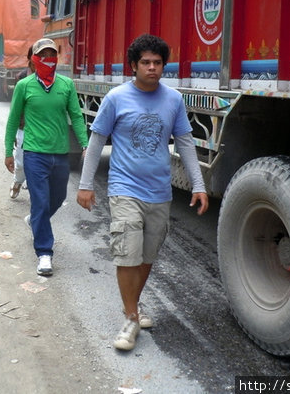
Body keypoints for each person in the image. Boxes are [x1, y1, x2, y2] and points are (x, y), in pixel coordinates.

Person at [76, 34, 209, 351]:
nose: (152, 68)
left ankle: (133, 306)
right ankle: (131, 317)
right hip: (125, 189)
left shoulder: (173, 100)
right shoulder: (116, 98)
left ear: (164, 65)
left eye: (158, 62)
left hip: (159, 192)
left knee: (146, 257)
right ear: (133, 65)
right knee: (127, 253)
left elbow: (186, 144)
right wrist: (84, 185)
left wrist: (200, 185)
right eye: (146, 62)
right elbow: (96, 142)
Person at [4, 38, 88, 276]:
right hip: (33, 153)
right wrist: (8, 151)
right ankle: (44, 253)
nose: (48, 59)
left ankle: (36, 220)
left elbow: (77, 116)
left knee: (58, 196)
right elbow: (13, 120)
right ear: (34, 59)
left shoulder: (66, 85)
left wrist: (85, 144)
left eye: (52, 54)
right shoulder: (25, 86)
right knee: (40, 200)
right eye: (43, 55)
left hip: (60, 154)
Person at [9, 46, 34, 199]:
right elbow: (16, 107)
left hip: (42, 129)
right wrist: (12, 133)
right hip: (24, 127)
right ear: (30, 58)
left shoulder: (52, 79)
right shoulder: (22, 77)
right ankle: (18, 181)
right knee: (21, 162)